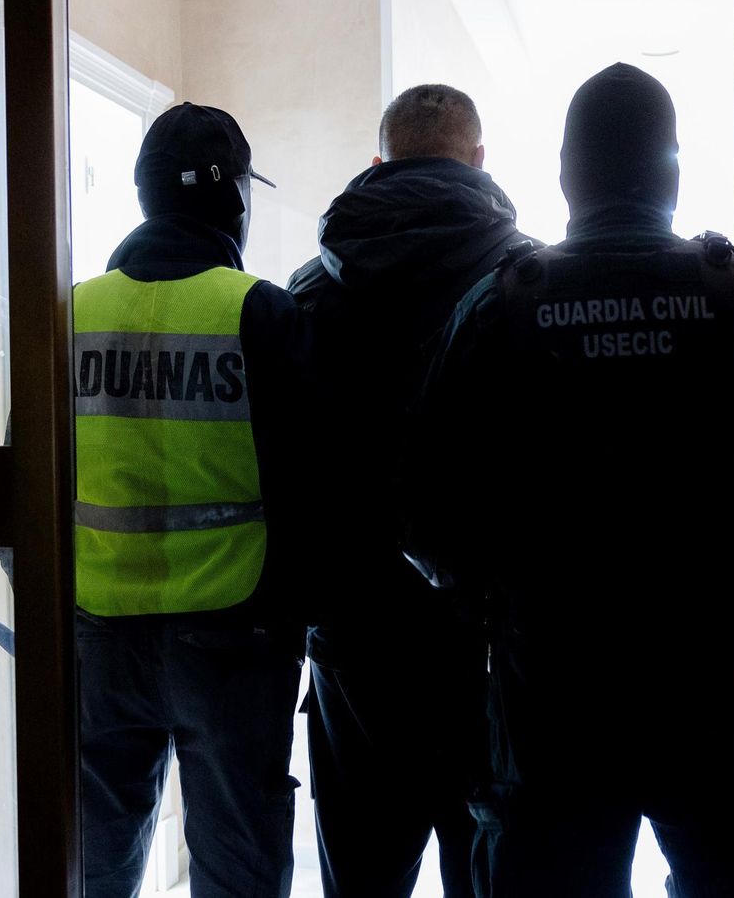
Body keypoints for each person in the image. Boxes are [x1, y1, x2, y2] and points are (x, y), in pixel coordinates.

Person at [402, 64, 734, 897]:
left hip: (550, 690)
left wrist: (491, 595)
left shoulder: (505, 302)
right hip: (708, 682)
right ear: (673, 171)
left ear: (565, 175)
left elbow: (420, 510)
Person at [0, 102, 311, 898]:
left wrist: (46, 610)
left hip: (95, 641)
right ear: (236, 199)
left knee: (91, 868)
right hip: (233, 644)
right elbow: (315, 496)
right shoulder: (260, 312)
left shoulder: (67, 318)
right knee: (238, 869)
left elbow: (16, 491)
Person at [287, 84, 538, 898]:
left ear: (378, 161)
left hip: (355, 647)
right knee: (489, 873)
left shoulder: (308, 294)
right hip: (489, 646)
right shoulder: (525, 285)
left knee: (361, 879)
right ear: (479, 160)